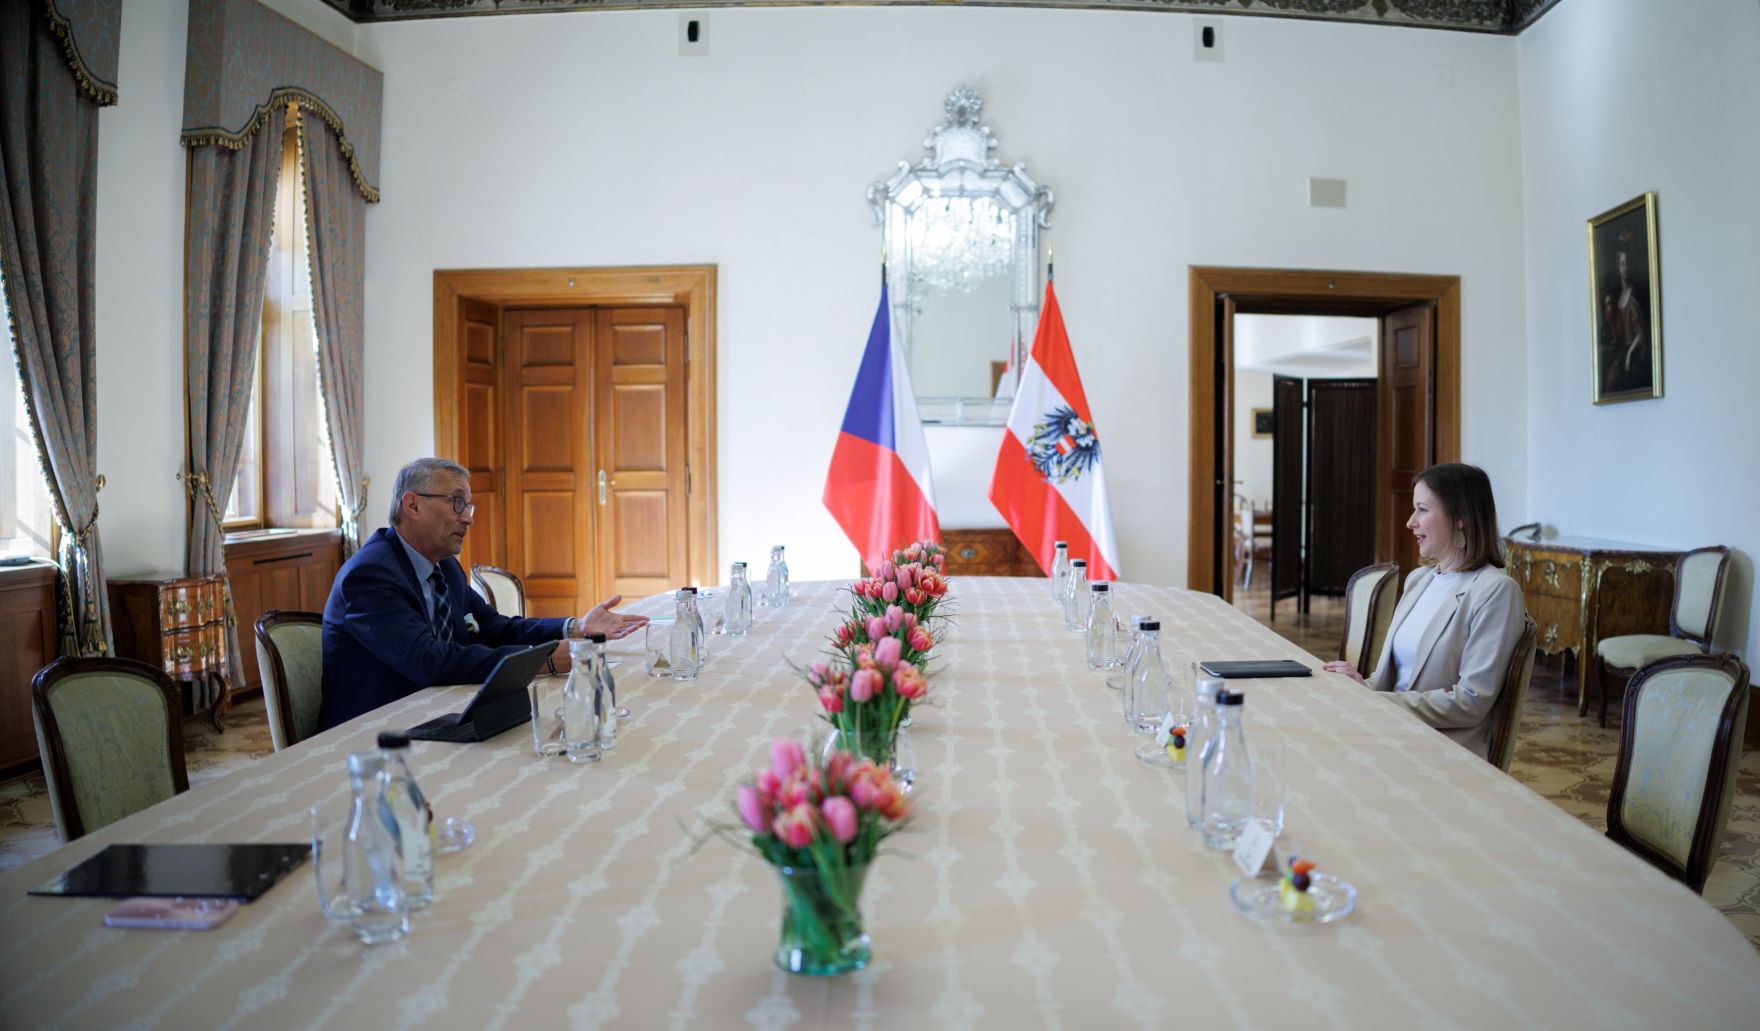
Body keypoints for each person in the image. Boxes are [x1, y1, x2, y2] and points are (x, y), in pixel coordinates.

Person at [317, 457, 647, 731]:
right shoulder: (369, 576)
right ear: (413, 504)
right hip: (372, 734)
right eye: (457, 502)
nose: (468, 518)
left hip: (438, 714)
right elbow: (429, 661)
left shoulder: (444, 567)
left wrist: (573, 628)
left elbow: (495, 628)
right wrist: (544, 659)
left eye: (469, 505)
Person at [1322, 462, 1526, 758]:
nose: (1410, 522)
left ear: (1460, 517)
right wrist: (1358, 685)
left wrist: (1381, 702)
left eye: (1422, 509)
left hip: (1442, 749)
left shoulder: (1496, 591)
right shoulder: (1419, 580)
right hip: (1395, 728)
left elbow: (1471, 702)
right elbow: (1388, 681)